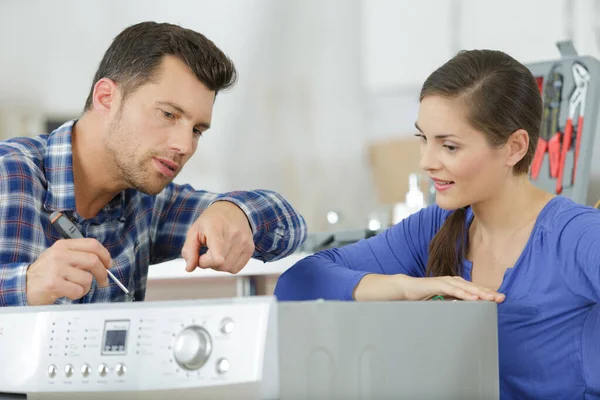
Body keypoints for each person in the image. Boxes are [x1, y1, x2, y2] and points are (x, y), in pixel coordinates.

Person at [275, 49, 600, 398]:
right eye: (423, 139)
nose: (426, 162)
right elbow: (297, 282)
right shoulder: (436, 227)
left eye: (449, 146)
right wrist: (402, 287)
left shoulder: (576, 236)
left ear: (514, 148)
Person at [0, 21, 307, 307]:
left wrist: (236, 211)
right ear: (106, 98)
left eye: (197, 130)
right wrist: (23, 285)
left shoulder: (151, 204)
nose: (185, 146)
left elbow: (290, 227)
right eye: (168, 115)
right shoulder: (8, 174)